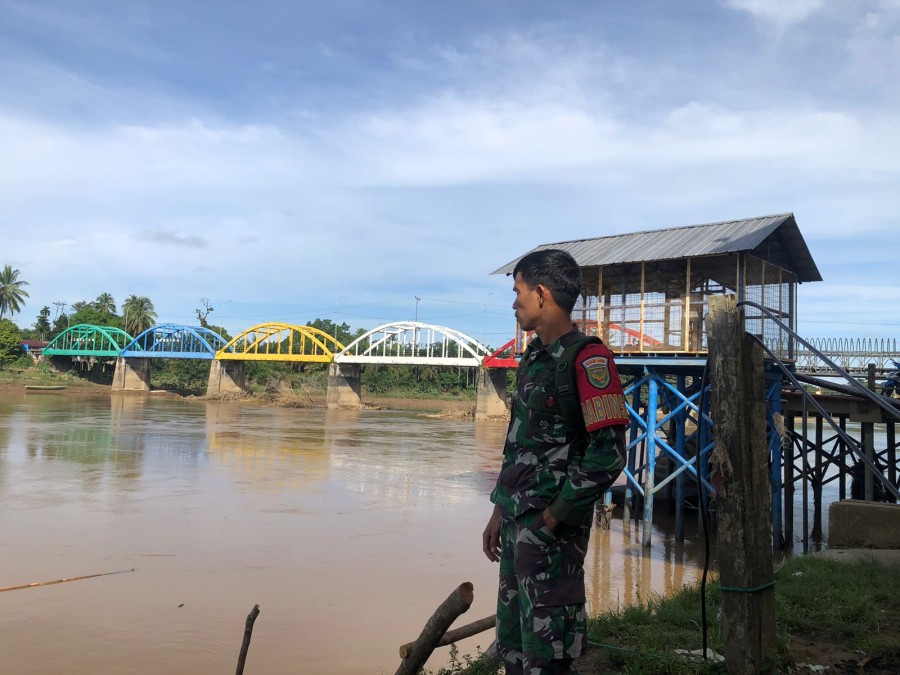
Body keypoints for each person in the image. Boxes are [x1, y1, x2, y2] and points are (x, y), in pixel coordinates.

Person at [482, 249, 629, 675]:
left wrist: (551, 519)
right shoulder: (534, 358)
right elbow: (517, 444)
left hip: (550, 537)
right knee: (513, 650)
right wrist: (499, 511)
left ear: (542, 294)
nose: (514, 302)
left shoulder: (588, 360)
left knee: (549, 659)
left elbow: (608, 455)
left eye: (518, 291)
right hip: (515, 527)